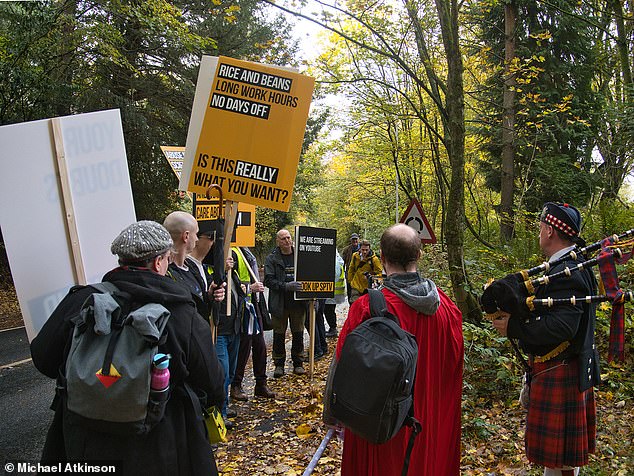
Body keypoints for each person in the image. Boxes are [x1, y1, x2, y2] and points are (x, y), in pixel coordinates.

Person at [30, 221, 226, 476]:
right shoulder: (181, 313)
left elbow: (43, 358)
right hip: (160, 446)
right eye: (167, 259)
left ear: (121, 260)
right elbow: (212, 382)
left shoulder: (82, 300)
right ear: (158, 263)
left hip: (83, 443)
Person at [336, 224, 463, 476]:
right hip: (428, 428)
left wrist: (335, 417)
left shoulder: (366, 309)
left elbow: (343, 370)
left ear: (381, 258)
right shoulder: (448, 310)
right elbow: (453, 370)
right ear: (419, 255)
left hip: (380, 429)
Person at [482, 202, 598, 476]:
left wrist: (515, 328)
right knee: (557, 462)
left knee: (565, 461)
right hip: (565, 367)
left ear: (549, 231)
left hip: (563, 367)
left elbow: (563, 326)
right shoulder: (568, 264)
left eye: (540, 227)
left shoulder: (569, 271)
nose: (539, 232)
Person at [230, 247, 276, 400]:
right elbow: (232, 284)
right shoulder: (232, 252)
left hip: (253, 307)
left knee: (260, 347)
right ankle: (236, 385)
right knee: (243, 348)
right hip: (242, 309)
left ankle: (261, 384)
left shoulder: (246, 251)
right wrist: (251, 288)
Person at [264, 228, 307, 378]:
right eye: (283, 239)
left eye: (288, 237)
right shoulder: (272, 258)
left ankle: (298, 363)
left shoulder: (300, 256)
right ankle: (279, 365)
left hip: (298, 304)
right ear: (278, 242)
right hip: (280, 303)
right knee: (279, 335)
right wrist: (286, 286)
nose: (287, 241)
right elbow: (268, 280)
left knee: (298, 333)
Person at [347, 239, 383, 303]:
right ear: (360, 249)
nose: (365, 252)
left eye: (367, 250)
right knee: (354, 305)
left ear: (369, 249)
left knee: (364, 307)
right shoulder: (355, 256)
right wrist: (350, 281)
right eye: (363, 250)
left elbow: (379, 273)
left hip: (367, 288)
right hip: (356, 285)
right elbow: (351, 269)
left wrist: (371, 277)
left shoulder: (374, 260)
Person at [325, 250, 346, 337]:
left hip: (332, 291)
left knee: (328, 310)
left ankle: (333, 329)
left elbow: (335, 274)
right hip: (335, 291)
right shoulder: (337, 258)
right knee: (330, 310)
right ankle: (332, 328)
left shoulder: (334, 260)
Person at [341, 233, 360, 302]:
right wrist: (342, 273)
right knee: (349, 290)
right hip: (349, 273)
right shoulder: (346, 250)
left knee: (358, 291)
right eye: (353, 239)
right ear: (351, 240)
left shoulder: (362, 249)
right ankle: (351, 305)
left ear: (358, 239)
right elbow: (343, 262)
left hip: (359, 274)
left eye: (356, 239)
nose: (355, 241)